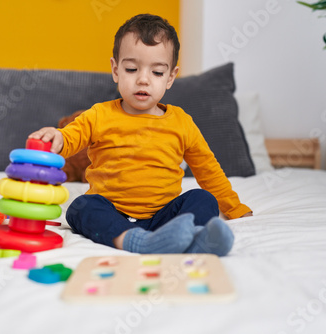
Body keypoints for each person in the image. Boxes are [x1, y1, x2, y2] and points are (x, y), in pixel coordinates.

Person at [29, 13, 252, 256]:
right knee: (80, 208)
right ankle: (136, 241)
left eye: (157, 72)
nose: (143, 79)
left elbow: (208, 169)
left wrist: (235, 207)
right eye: (132, 69)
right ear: (116, 70)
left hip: (165, 216)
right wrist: (58, 137)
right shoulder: (99, 114)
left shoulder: (182, 122)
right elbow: (73, 135)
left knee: (203, 199)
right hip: (112, 212)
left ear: (171, 77)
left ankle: (195, 241)